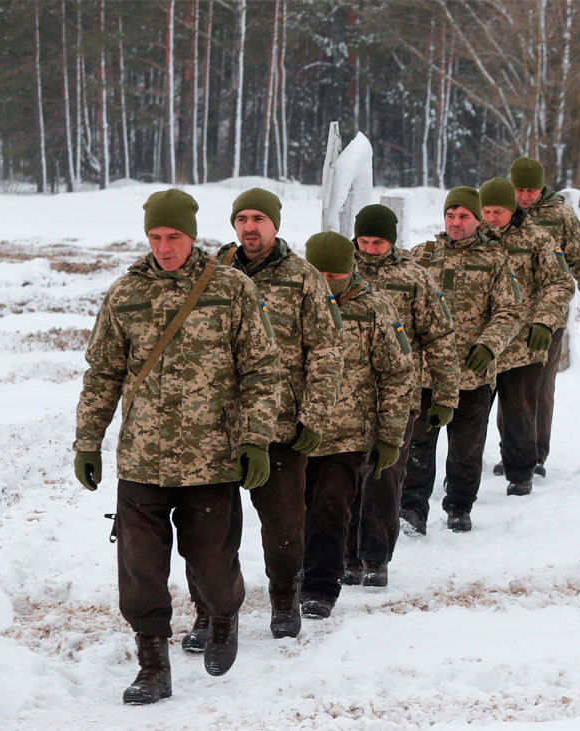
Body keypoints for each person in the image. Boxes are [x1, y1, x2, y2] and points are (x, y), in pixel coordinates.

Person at [73, 188, 281, 704]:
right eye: (155, 237)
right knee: (141, 570)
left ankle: (223, 616)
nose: (164, 247)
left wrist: (254, 438)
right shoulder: (126, 293)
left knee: (212, 560)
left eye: (174, 237)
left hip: (210, 458)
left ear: (192, 235)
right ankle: (153, 665)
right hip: (142, 459)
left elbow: (261, 368)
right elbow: (103, 373)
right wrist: (88, 441)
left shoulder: (230, 289)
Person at [179, 189, 343, 649]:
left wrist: (314, 414)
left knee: (284, 526)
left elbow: (328, 352)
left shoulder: (304, 278)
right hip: (213, 429)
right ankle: (209, 612)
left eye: (259, 219)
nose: (250, 227)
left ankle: (285, 597)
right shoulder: (209, 274)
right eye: (242, 218)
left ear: (275, 223)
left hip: (279, 428)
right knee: (207, 531)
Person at [298, 232, 415, 619]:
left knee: (331, 509)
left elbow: (398, 374)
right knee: (293, 511)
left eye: (337, 274)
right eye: (321, 275)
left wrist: (390, 435)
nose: (329, 282)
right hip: (292, 429)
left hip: (346, 434)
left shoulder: (375, 307)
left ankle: (319, 588)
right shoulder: (289, 302)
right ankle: (290, 578)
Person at [401, 188, 524, 533]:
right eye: (450, 215)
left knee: (466, 450)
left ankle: (459, 506)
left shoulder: (495, 259)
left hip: (471, 374)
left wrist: (489, 345)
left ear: (477, 220)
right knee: (418, 446)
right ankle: (411, 509)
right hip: (426, 374)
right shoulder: (422, 256)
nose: (455, 222)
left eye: (463, 216)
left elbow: (511, 310)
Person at [345, 204, 457, 578]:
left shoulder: (414, 277)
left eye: (378, 242)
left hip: (399, 396)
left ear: (391, 241)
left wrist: (445, 393)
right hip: (345, 397)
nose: (370, 248)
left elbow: (439, 337)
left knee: (385, 477)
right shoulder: (340, 273)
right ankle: (346, 556)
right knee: (344, 478)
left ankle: (376, 558)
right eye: (363, 241)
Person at [508, 156, 580, 477]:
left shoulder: (560, 214)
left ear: (541, 188)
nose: (524, 197)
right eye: (519, 189)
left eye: (530, 190)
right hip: (507, 316)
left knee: (540, 385)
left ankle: (536, 453)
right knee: (509, 385)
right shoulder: (501, 212)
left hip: (548, 315)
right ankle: (512, 451)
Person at [479, 177, 573, 497]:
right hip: (478, 341)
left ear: (512, 210)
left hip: (521, 338)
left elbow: (559, 283)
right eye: (486, 210)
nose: (491, 217)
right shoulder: (469, 238)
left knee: (520, 407)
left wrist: (545, 323)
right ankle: (461, 477)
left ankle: (521, 471)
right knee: (472, 411)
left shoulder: (537, 239)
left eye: (499, 211)